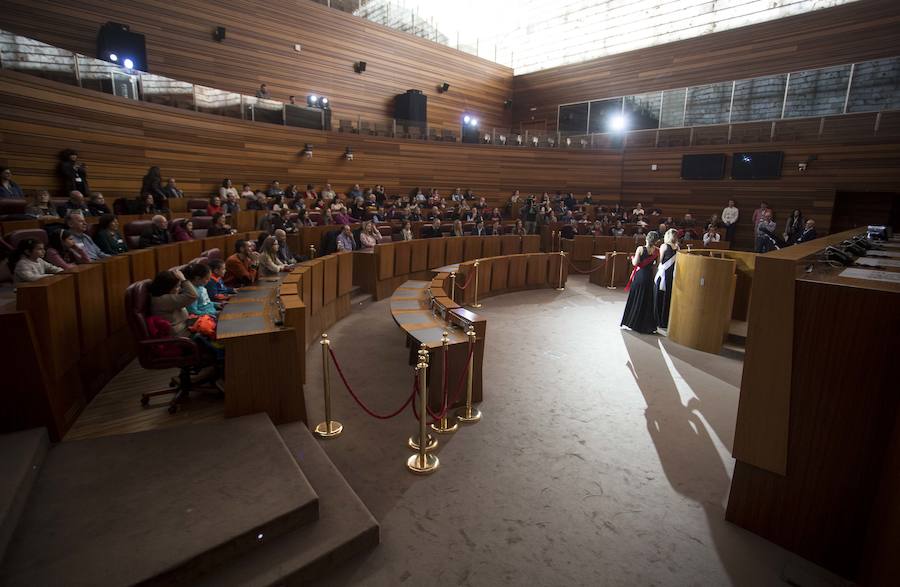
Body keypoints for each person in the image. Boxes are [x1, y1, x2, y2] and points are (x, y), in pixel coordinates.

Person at [621, 231, 660, 335]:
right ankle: (647, 326)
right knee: (647, 301)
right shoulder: (657, 251)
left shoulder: (640, 249)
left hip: (639, 276)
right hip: (649, 276)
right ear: (656, 241)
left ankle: (633, 323)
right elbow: (656, 266)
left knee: (636, 298)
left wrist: (632, 258)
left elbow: (636, 263)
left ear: (646, 238)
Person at [148, 269, 198, 338]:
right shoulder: (163, 300)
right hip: (180, 338)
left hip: (187, 331)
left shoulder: (165, 298)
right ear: (167, 287)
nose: (179, 289)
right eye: (177, 286)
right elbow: (193, 295)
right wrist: (183, 280)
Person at [654, 229, 679, 330]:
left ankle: (658, 319)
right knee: (667, 297)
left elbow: (660, 261)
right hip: (670, 275)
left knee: (660, 296)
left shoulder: (664, 246)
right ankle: (665, 320)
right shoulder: (677, 247)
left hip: (664, 274)